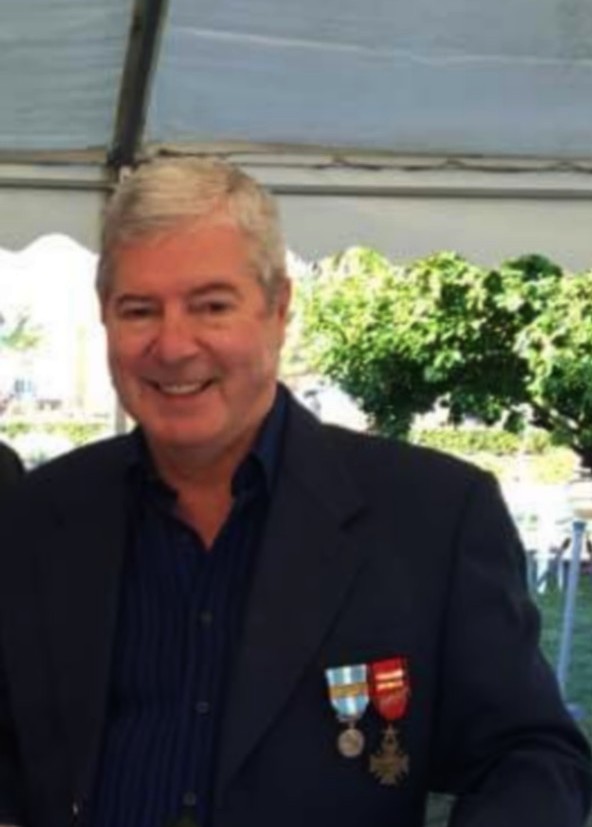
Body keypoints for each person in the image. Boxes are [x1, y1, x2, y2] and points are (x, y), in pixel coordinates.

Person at [0, 157, 589, 827]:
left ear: (278, 309)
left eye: (211, 306)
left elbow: (531, 757)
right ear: (105, 318)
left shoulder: (433, 517)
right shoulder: (37, 515)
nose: (173, 344)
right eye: (140, 310)